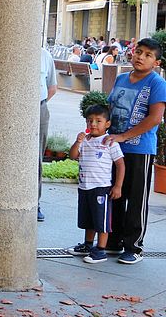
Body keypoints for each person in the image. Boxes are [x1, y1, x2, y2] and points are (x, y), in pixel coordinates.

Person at [105, 37, 166, 264]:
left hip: (140, 149)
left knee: (137, 198)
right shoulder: (121, 78)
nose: (141, 57)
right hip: (114, 148)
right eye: (139, 52)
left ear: (156, 63)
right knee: (114, 193)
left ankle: (134, 246)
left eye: (148, 55)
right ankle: (113, 241)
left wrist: (124, 136)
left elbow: (154, 118)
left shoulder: (157, 83)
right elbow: (110, 108)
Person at [66, 105, 125, 263]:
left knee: (101, 220)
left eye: (98, 121)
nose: (93, 124)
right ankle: (87, 244)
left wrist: (117, 186)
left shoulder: (110, 142)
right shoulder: (85, 141)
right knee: (88, 218)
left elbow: (120, 165)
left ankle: (100, 250)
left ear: (107, 124)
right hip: (85, 187)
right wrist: (77, 142)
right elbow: (73, 156)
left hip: (101, 188)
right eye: (89, 121)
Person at [38, 47, 57, 222]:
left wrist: (40, 103)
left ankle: (35, 202)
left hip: (40, 107)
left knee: (36, 158)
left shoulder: (45, 55)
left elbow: (52, 86)